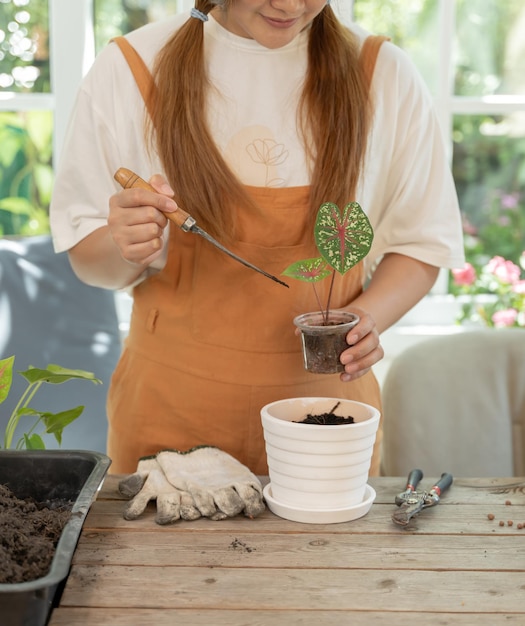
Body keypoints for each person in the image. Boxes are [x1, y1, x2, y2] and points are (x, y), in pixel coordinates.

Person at [50, 0, 464, 477]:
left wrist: (365, 322)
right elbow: (87, 260)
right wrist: (126, 246)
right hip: (169, 422)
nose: (290, 5)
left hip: (326, 423)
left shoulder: (382, 73)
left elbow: (420, 244)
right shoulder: (131, 67)